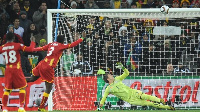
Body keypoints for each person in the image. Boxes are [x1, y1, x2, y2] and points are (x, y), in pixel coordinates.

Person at [26, 35, 84, 111]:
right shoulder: (61, 46)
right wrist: (81, 39)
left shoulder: (51, 44)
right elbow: (72, 45)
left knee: (32, 79)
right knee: (49, 88)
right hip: (48, 67)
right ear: (63, 41)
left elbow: (38, 49)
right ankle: (41, 107)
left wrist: (33, 43)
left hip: (41, 63)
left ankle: (18, 81)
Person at [98, 62, 175, 110]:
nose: (111, 75)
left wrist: (123, 68)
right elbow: (104, 98)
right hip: (131, 100)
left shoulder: (117, 79)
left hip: (133, 92)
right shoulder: (109, 89)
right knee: (149, 103)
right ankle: (168, 107)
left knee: (146, 96)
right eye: (110, 75)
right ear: (108, 79)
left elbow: (126, 73)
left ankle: (160, 100)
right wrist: (100, 106)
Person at [0, 32, 35, 112]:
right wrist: (32, 42)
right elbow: (30, 49)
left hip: (8, 69)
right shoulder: (17, 45)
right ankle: (21, 107)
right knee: (22, 87)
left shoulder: (2, 47)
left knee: (7, 89)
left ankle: (4, 109)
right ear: (13, 38)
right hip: (17, 69)